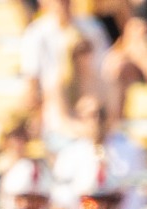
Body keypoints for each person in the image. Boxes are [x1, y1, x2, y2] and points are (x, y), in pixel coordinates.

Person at [20, 0, 110, 146]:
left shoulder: (92, 27)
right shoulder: (36, 34)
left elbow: (106, 69)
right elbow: (33, 89)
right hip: (59, 128)